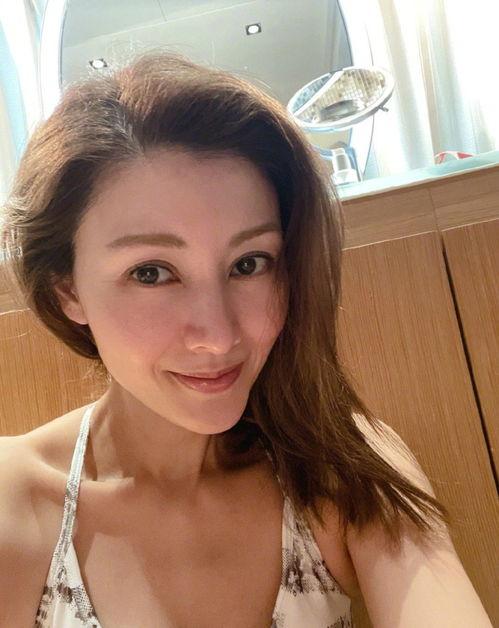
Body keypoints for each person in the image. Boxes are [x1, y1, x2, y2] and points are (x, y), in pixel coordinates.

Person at [0, 50, 492, 628]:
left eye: (250, 263)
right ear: (67, 290)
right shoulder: (16, 500)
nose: (218, 335)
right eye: (151, 272)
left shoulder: (338, 466)